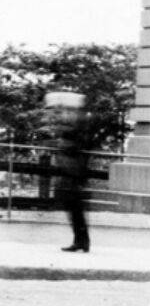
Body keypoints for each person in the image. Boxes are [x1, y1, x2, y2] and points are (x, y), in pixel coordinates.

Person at [44, 91, 91, 253]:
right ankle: (81, 240)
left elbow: (74, 142)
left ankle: (81, 241)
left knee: (74, 206)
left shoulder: (79, 121)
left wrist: (61, 143)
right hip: (72, 169)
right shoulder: (79, 120)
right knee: (74, 207)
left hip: (73, 169)